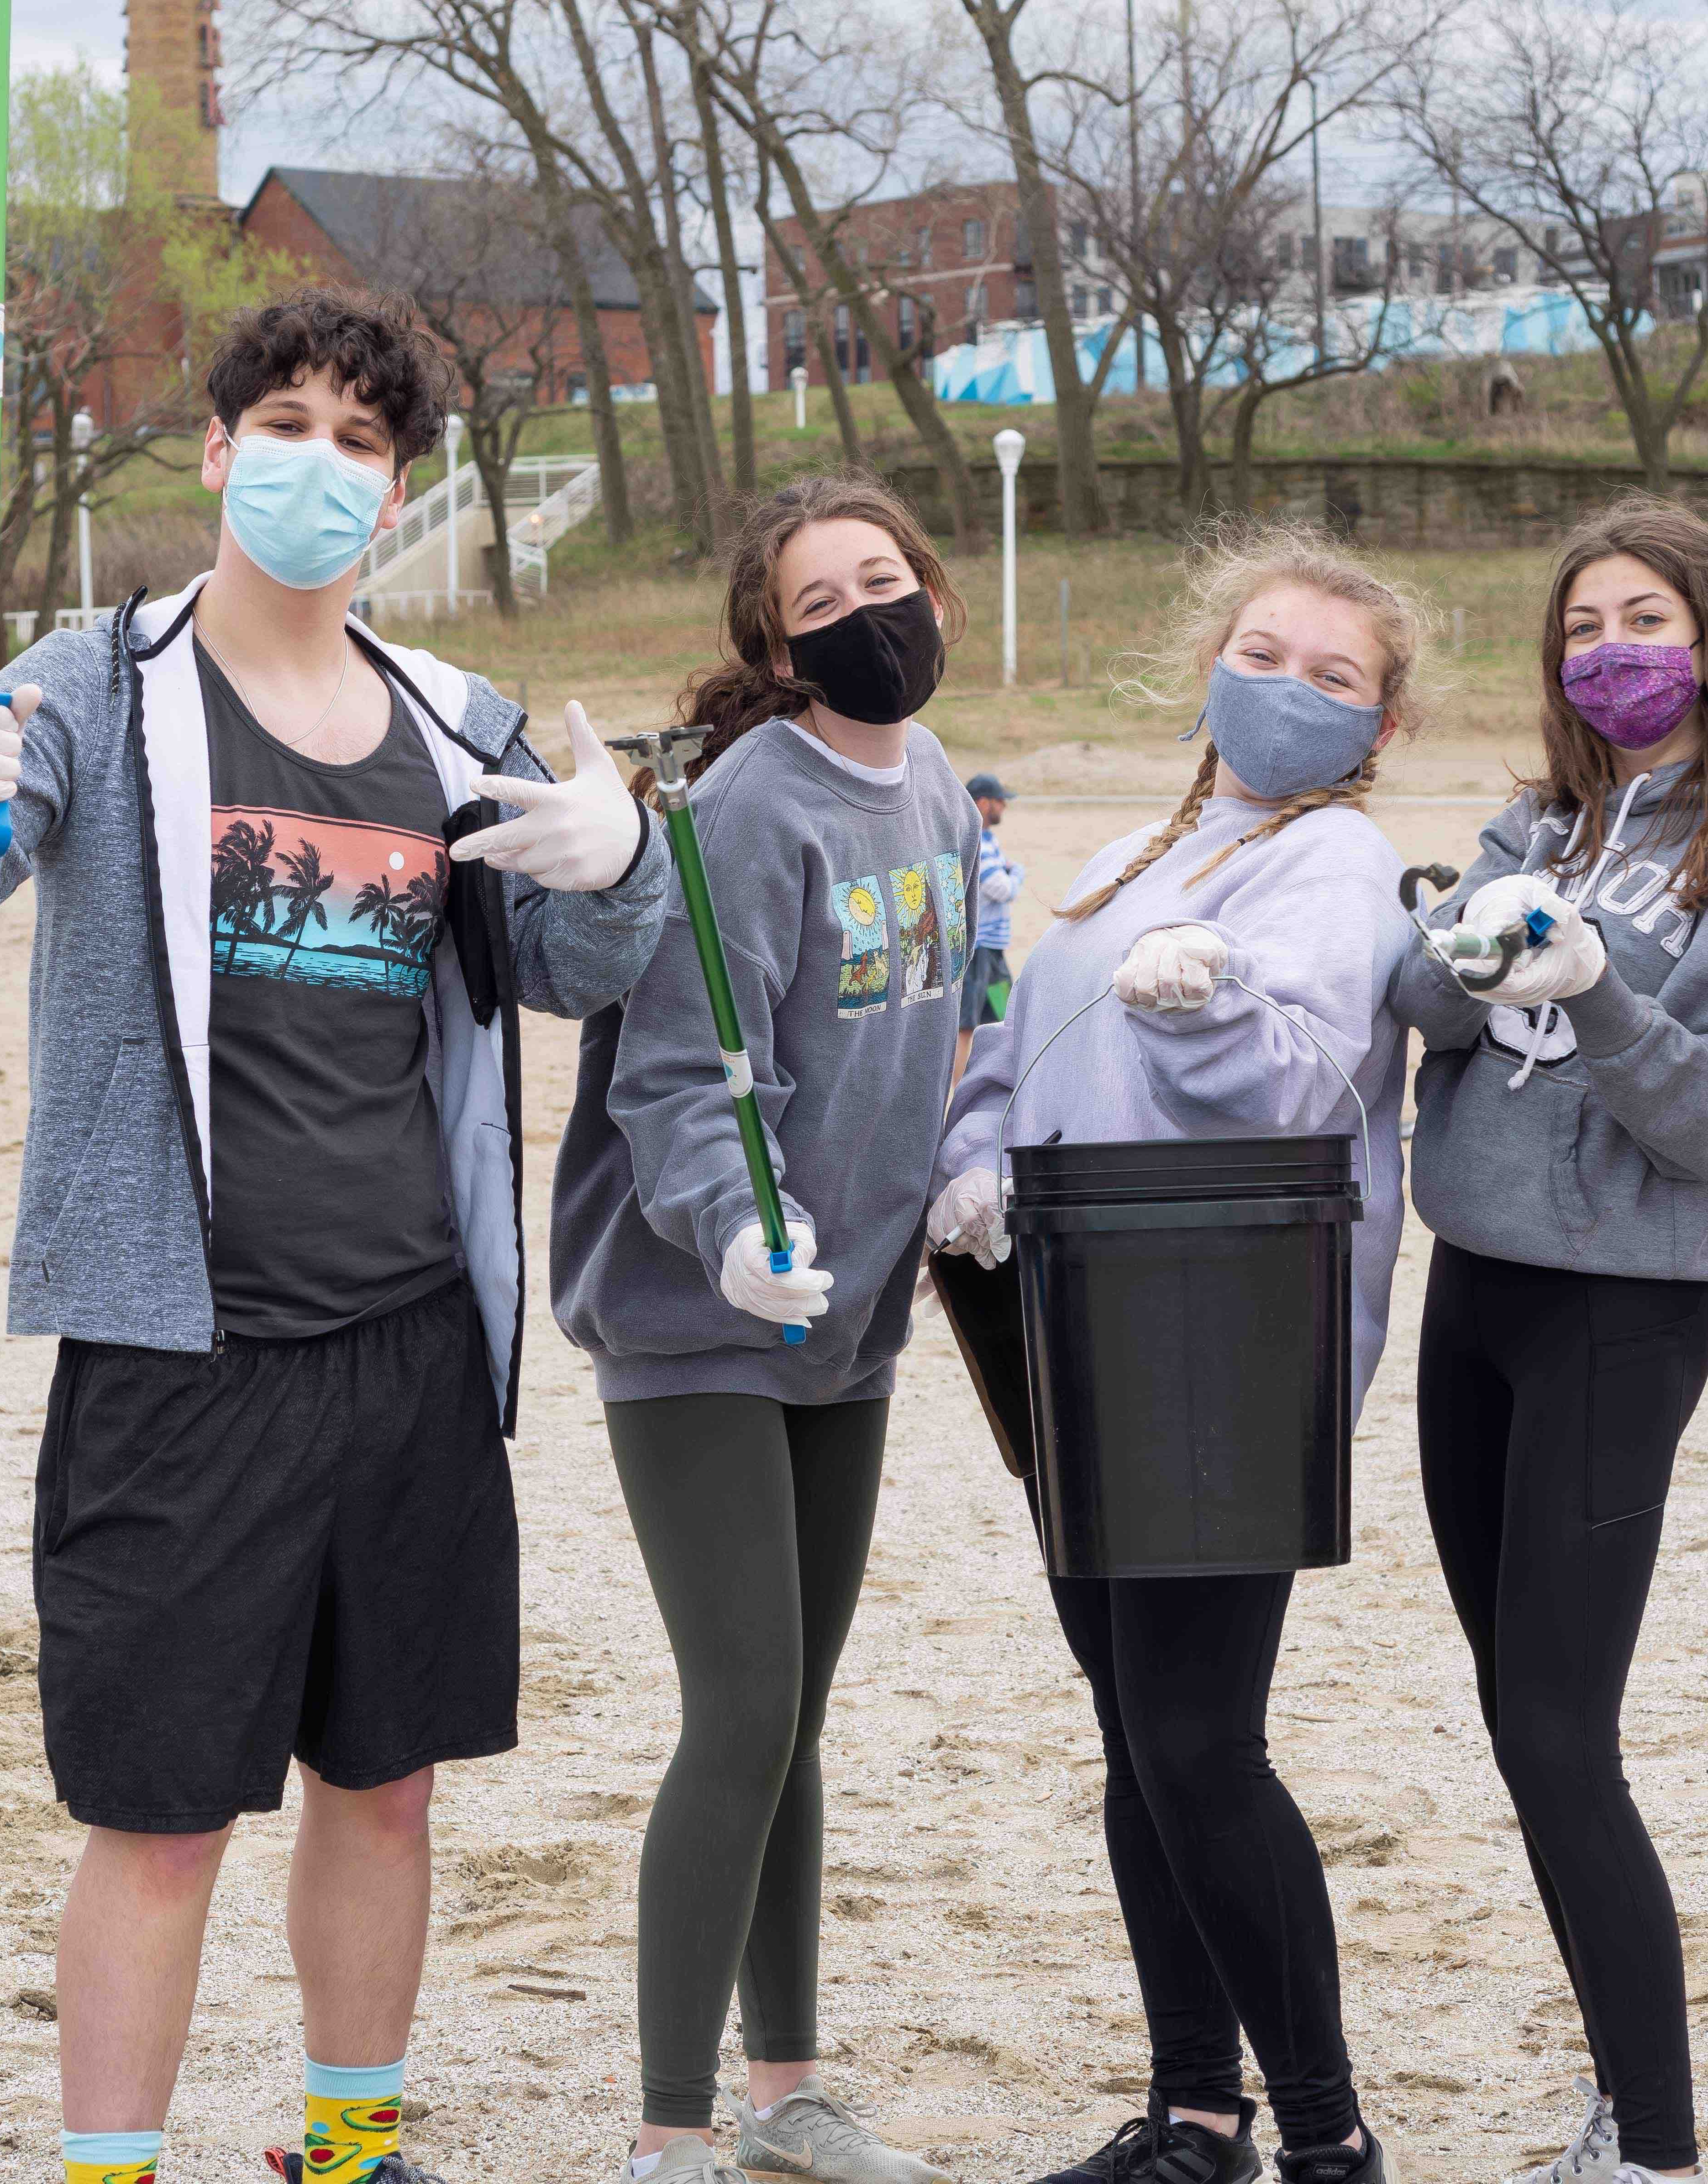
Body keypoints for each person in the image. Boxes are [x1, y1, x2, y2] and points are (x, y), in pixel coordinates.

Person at [0, 289, 672, 2184]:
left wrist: (619, 865)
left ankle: (348, 2145)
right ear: (217, 454)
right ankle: (109, 2162)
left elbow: (564, 965)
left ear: (399, 489)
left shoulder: (461, 725)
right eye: (284, 423)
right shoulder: (94, 684)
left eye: (363, 440)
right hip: (177, 1348)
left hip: (411, 1346)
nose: (320, 461)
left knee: (384, 1791)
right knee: (159, 1815)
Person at [926, 526, 1421, 2184]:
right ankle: (1193, 2110)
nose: (1286, 689)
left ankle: (1327, 2135)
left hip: (1223, 1318)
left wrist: (1202, 1007)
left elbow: (1291, 1084)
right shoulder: (1145, 843)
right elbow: (1019, 1032)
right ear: (1212, 662)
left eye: (1331, 676)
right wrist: (970, 1156)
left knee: (1203, 1737)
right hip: (1077, 1319)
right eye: (1263, 654)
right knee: (1137, 1733)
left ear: (1381, 723)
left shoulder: (1334, 864)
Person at [1384, 502, 1708, 2184]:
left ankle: (1655, 2146)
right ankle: (1610, 2101)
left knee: (1567, 1731)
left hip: (1618, 1310)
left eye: (1640, 616)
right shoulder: (1539, 821)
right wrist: (1465, 931)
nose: (1607, 649)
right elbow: (1417, 1004)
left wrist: (1596, 986)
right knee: (1517, 1721)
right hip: (1473, 1290)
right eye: (1580, 625)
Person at [551, 475, 983, 2184]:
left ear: (932, 591)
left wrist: (962, 1171)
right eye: (819, 600)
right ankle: (670, 2123)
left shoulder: (937, 782)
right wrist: (733, 1227)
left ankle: (786, 2087)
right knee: (737, 1703)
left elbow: (951, 1016)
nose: (862, 611)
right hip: (699, 1310)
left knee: (796, 1709)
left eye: (884, 576)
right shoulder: (740, 809)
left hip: (850, 1314)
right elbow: (677, 1072)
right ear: (773, 646)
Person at [961, 771, 1021, 1070]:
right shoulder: (977, 843)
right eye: (1000, 801)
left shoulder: (988, 839)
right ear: (983, 803)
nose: (1004, 807)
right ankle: (958, 1094)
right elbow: (1002, 888)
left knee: (1002, 1018)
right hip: (978, 951)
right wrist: (1017, 874)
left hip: (994, 951)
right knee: (966, 1026)